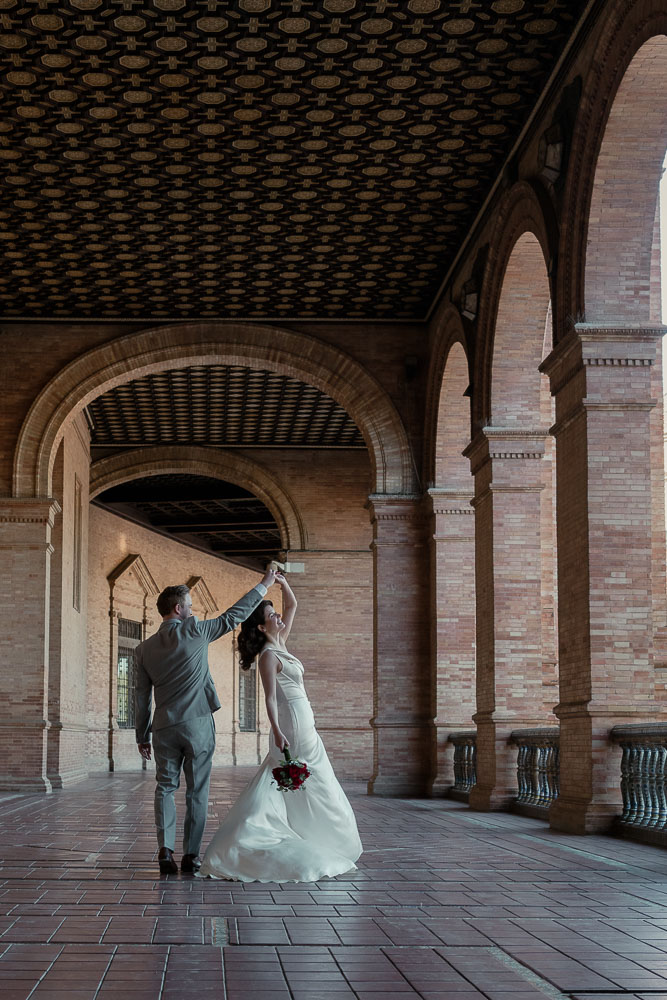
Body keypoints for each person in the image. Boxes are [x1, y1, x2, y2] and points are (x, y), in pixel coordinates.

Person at [199, 573, 362, 882]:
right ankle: (266, 837)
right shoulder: (268, 656)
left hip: (305, 720)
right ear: (262, 627)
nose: (278, 616)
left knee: (300, 783)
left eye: (276, 612)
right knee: (305, 780)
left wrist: (281, 582)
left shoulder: (281, 643)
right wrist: (276, 730)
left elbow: (293, 604)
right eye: (271, 616)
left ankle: (309, 832)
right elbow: (270, 698)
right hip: (292, 727)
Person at [134, 568, 277, 874]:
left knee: (165, 788)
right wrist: (264, 584)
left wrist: (141, 735)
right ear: (178, 609)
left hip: (162, 728)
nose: (192, 610)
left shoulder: (143, 650)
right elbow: (232, 616)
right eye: (189, 605)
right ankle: (191, 855)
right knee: (197, 790)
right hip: (197, 723)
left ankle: (165, 850)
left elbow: (141, 697)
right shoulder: (195, 630)